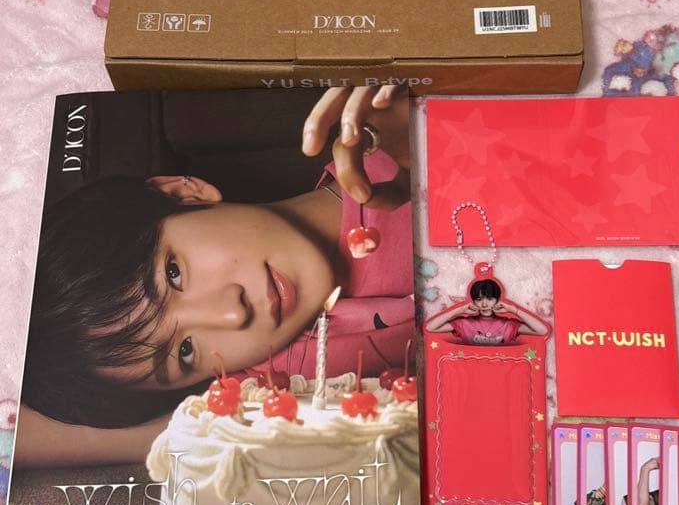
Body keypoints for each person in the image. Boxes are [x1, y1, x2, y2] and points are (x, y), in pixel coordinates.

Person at [15, 84, 412, 468]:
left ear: (180, 194)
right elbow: (27, 439)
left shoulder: (397, 148)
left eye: (173, 275)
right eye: (185, 352)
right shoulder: (270, 380)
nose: (232, 314)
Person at [425, 278, 547, 346]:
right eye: (479, 299)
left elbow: (542, 330)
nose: (484, 304)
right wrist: (459, 309)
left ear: (497, 299)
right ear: (473, 301)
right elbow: (430, 327)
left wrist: (514, 310)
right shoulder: (464, 324)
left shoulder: (508, 325)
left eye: (489, 298)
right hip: (469, 374)